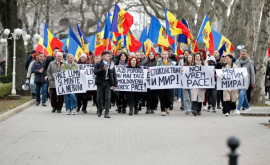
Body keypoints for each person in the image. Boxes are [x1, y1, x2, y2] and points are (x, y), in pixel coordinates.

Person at [94, 51, 117, 118]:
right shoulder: (98, 64)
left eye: (109, 56)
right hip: (100, 83)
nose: (109, 57)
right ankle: (100, 110)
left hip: (107, 83)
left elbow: (114, 74)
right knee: (99, 98)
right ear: (103, 56)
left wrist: (114, 84)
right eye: (107, 56)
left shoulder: (111, 64)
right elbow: (95, 72)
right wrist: (102, 69)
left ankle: (106, 113)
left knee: (107, 98)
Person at [235, 49, 255, 114]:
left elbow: (252, 73)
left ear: (246, 54)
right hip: (239, 81)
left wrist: (253, 82)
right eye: (241, 54)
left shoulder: (250, 62)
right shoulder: (237, 61)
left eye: (244, 54)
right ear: (240, 54)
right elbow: (234, 69)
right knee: (243, 95)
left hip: (246, 81)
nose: (243, 55)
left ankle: (238, 109)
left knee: (241, 94)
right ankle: (248, 107)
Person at [156, 51, 174, 116]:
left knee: (168, 97)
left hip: (168, 82)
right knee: (162, 97)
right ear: (162, 55)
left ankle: (167, 107)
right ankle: (163, 110)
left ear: (167, 55)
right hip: (161, 82)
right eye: (163, 54)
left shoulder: (171, 62)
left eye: (166, 54)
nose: (165, 55)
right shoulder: (159, 62)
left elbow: (174, 70)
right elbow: (156, 69)